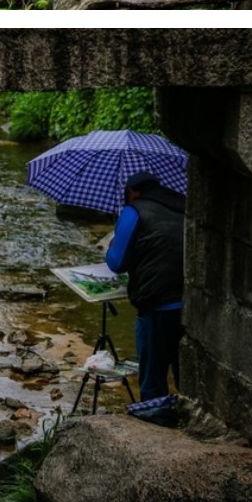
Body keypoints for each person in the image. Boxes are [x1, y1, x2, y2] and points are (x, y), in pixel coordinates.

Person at [105, 171, 185, 402]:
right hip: (192, 303)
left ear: (132, 192)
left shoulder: (134, 210)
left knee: (152, 378)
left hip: (156, 305)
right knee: (187, 377)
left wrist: (112, 246)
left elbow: (117, 263)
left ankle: (155, 422)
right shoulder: (184, 205)